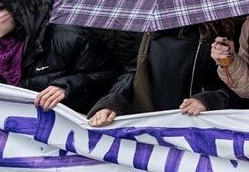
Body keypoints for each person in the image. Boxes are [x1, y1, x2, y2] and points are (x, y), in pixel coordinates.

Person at [87, 25, 223, 126]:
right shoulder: (147, 30)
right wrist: (111, 103)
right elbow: (135, 70)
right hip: (150, 124)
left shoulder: (218, 33)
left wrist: (207, 100)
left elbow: (235, 89)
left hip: (198, 125)